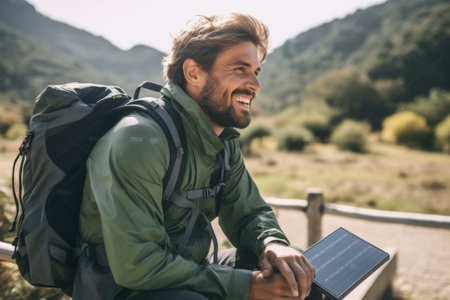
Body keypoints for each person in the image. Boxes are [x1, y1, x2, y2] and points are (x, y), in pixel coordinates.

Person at [73, 13, 319, 300]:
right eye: (240, 69)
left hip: (188, 270)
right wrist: (246, 285)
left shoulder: (222, 141)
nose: (255, 85)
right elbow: (137, 265)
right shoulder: (139, 139)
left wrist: (273, 243)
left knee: (295, 274)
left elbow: (248, 213)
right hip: (119, 289)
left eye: (256, 71)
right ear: (193, 73)